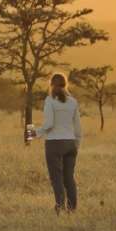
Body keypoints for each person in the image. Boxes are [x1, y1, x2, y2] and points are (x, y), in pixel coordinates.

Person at [36, 72, 81, 214]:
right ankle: (72, 208)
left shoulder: (50, 100)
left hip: (54, 143)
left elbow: (48, 124)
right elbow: (78, 127)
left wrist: (36, 133)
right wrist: (76, 144)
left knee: (56, 178)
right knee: (69, 178)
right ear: (65, 85)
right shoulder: (73, 101)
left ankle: (59, 206)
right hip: (70, 142)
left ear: (51, 85)